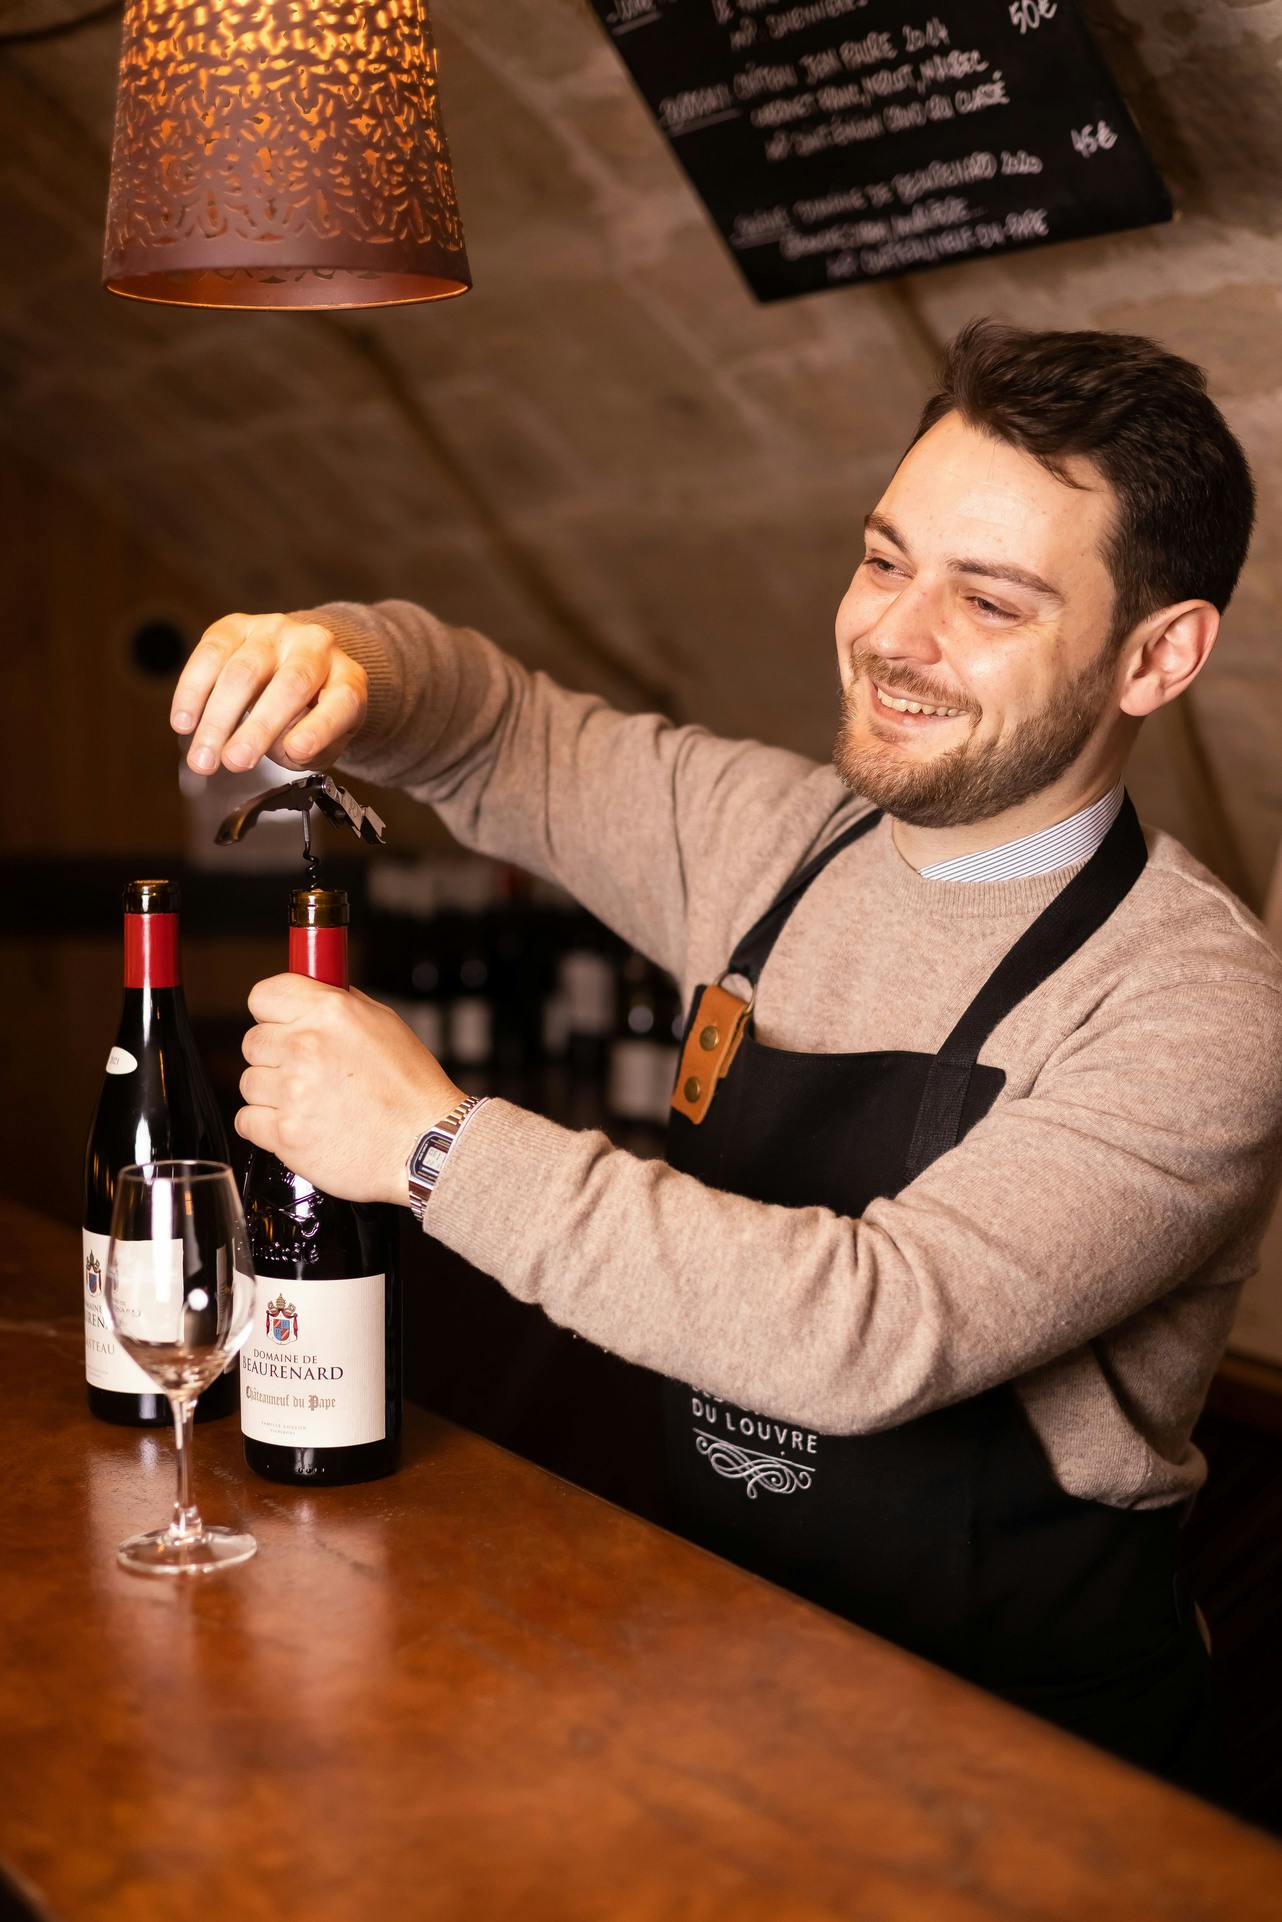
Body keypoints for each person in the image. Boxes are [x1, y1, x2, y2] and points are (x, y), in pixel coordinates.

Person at [173, 320, 1282, 1798]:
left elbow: (874, 1328)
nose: (895, 632)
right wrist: (341, 656)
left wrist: (432, 1143)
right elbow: (495, 730)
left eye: (988, 600)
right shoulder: (772, 841)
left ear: (1158, 653)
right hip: (719, 1655)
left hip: (1024, 1764)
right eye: (884, 558)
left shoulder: (1191, 998)